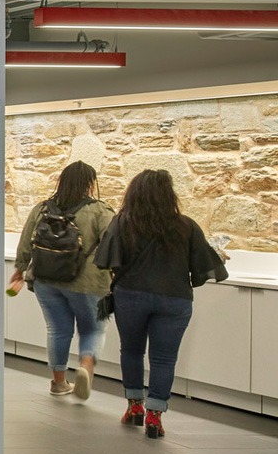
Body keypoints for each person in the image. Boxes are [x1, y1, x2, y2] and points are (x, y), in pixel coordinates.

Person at [94, 167, 229, 438]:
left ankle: (135, 406)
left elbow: (106, 259)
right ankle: (155, 416)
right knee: (164, 358)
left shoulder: (123, 223)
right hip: (174, 299)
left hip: (131, 295)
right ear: (169, 194)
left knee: (131, 351)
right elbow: (203, 268)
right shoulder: (186, 226)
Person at [8, 160, 113, 400]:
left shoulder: (42, 209)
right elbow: (113, 243)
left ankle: (58, 383)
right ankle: (86, 366)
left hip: (45, 280)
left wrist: (20, 270)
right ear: (89, 183)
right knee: (93, 329)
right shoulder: (100, 211)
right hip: (87, 282)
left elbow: (26, 242)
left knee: (58, 330)